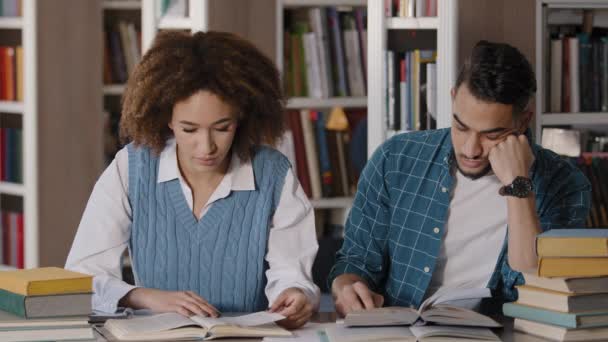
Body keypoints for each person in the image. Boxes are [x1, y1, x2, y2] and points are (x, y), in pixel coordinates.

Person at [66, 31, 319, 329]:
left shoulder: (273, 173)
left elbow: (292, 274)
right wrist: (144, 296)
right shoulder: (131, 168)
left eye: (222, 128)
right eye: (189, 130)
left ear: (242, 116)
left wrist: (296, 294)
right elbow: (81, 278)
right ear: (167, 120)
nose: (207, 146)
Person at [329, 40, 591, 316]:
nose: (470, 149)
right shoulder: (395, 159)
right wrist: (347, 286)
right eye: (461, 127)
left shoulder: (565, 185)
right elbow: (355, 261)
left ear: (523, 121)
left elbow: (538, 290)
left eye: (491, 135)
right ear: (453, 97)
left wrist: (519, 187)